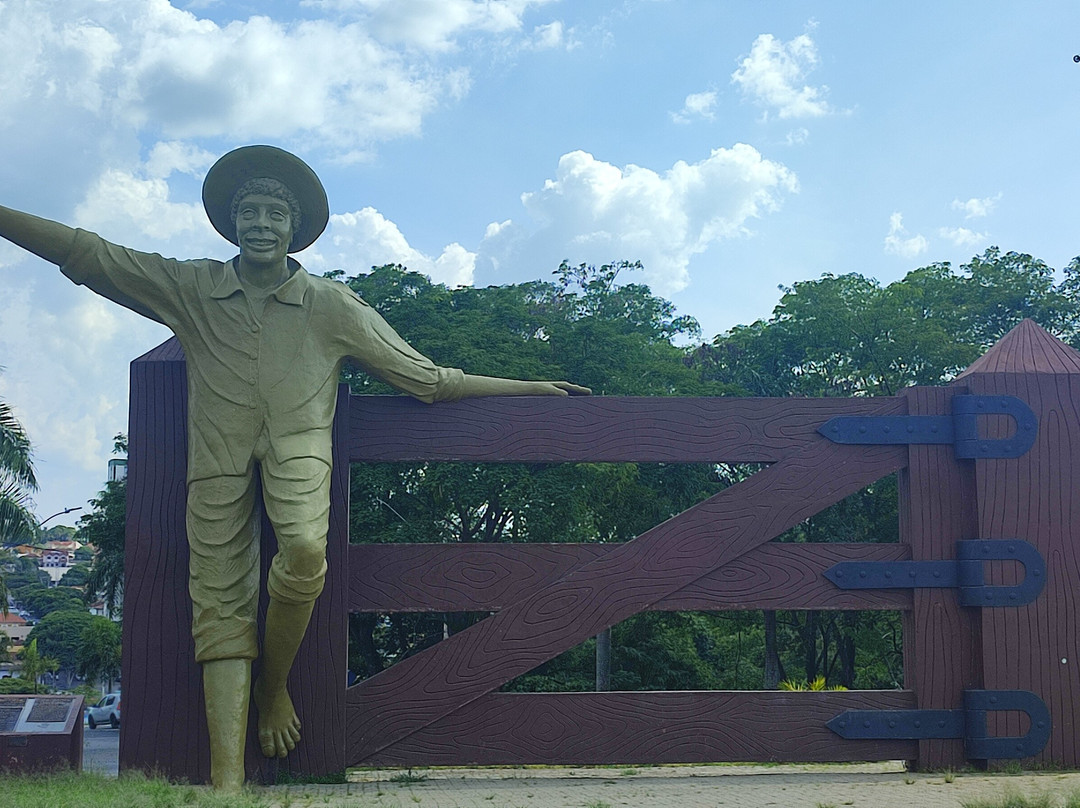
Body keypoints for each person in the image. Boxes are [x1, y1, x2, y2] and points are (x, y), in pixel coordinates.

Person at [0, 145, 588, 789]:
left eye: (274, 214)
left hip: (300, 454)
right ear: (230, 222)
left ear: (294, 227)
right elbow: (92, 255)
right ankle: (227, 784)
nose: (260, 224)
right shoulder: (193, 289)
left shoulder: (330, 306)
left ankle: (273, 689)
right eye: (248, 212)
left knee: (306, 551)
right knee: (219, 600)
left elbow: (424, 379)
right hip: (216, 462)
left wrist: (524, 386)